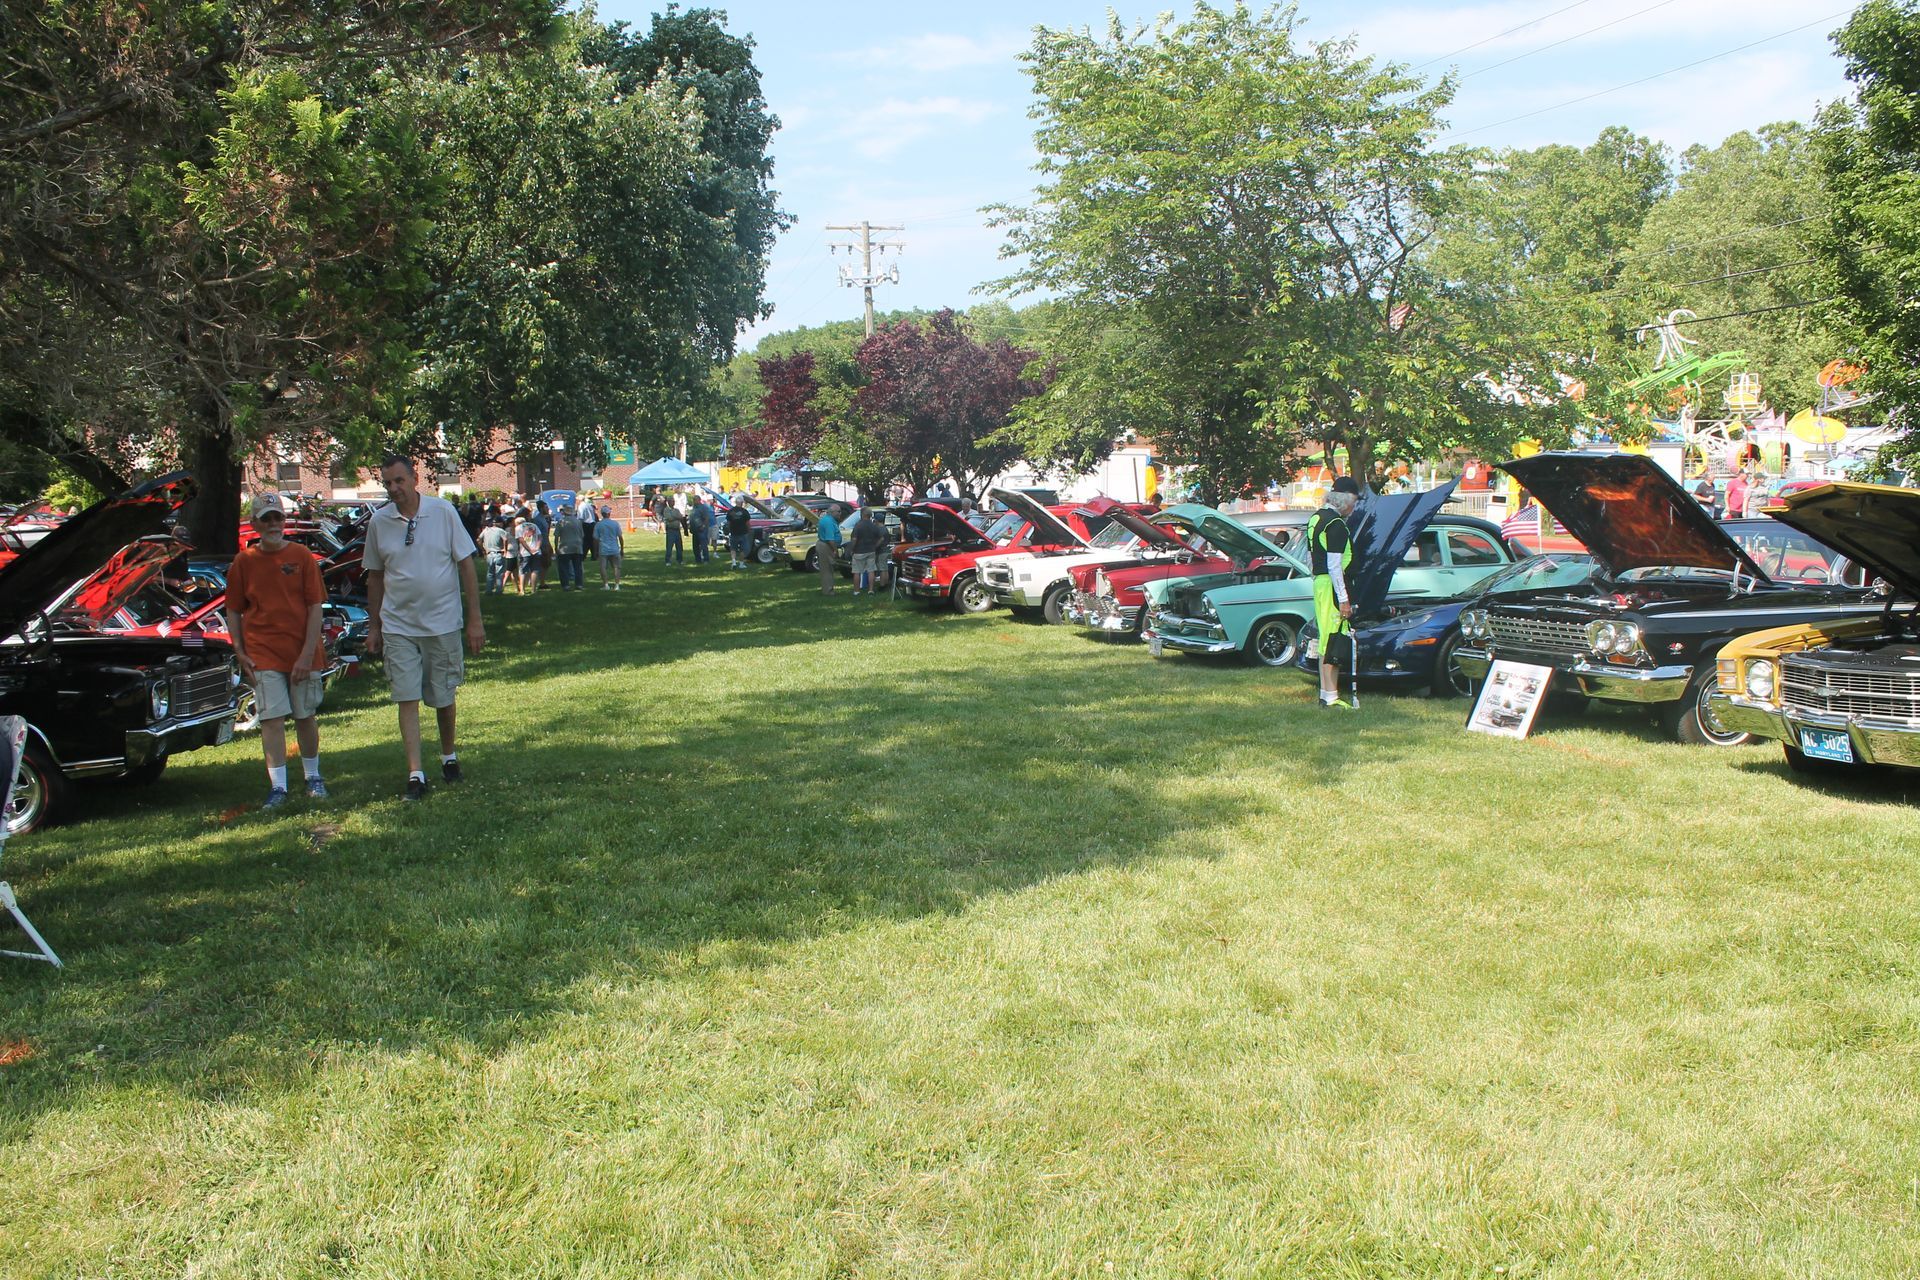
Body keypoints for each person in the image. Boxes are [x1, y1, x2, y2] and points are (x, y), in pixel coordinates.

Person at [362, 455, 485, 801]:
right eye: (387, 483)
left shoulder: (443, 512)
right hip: (399, 626)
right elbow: (375, 577)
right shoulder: (380, 523)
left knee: (444, 696)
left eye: (399, 481)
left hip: (443, 622)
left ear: (415, 479)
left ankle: (448, 756)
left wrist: (474, 619)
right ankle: (415, 773)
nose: (394, 489)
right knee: (406, 696)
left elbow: (466, 566)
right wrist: (375, 626)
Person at [225, 493, 329, 808]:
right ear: (255, 523)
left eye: (277, 518)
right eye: (266, 518)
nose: (273, 524)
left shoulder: (302, 557)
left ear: (284, 521)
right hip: (262, 652)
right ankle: (279, 787)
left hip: (302, 650)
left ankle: (313, 777)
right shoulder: (244, 561)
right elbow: (233, 610)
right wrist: (240, 651)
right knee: (271, 719)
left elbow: (315, 608)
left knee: (305, 715)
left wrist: (306, 654)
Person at [1307, 476, 1361, 710]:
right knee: (1334, 639)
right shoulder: (1336, 524)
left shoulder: (1316, 518)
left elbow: (1311, 556)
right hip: (1330, 585)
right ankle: (1331, 697)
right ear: (1345, 500)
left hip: (1320, 583)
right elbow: (1335, 566)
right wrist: (1344, 599)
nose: (1354, 507)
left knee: (1325, 638)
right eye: (1354, 502)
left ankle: (1325, 693)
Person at [849, 507, 891, 594]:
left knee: (857, 571)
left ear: (862, 514)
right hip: (871, 551)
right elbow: (881, 538)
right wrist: (875, 546)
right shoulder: (873, 526)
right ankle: (871, 590)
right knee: (871, 571)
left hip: (859, 551)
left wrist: (852, 549)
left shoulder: (858, 525)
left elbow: (854, 539)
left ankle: (856, 591)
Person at [815, 503, 844, 595]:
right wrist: (835, 550)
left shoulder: (829, 520)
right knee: (827, 569)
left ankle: (828, 589)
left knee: (828, 569)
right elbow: (830, 539)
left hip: (825, 545)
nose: (840, 513)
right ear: (832, 512)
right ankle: (828, 591)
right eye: (838, 511)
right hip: (825, 546)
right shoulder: (829, 522)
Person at [555, 503, 585, 590]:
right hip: (577, 546)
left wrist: (556, 547)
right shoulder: (578, 522)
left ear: (564, 512)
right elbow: (582, 535)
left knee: (564, 567)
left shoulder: (561, 522)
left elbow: (557, 536)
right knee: (577, 567)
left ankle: (566, 585)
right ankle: (579, 584)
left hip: (564, 547)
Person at [594, 504, 625, 589]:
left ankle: (606, 584)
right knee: (616, 567)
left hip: (603, 549)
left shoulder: (598, 525)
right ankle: (617, 585)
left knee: (603, 567)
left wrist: (595, 551)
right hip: (614, 548)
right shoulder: (615, 523)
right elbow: (620, 537)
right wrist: (622, 549)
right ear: (609, 514)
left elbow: (595, 539)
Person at [479, 517, 511, 593]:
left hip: (489, 554)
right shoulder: (501, 531)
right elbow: (505, 539)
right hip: (498, 553)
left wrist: (483, 550)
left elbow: (478, 539)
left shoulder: (486, 530)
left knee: (490, 573)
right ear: (499, 523)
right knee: (499, 574)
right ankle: (499, 591)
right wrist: (505, 550)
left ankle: (488, 590)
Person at [513, 516, 541, 594]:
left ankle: (522, 590)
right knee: (534, 570)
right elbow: (540, 537)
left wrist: (529, 549)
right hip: (536, 551)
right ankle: (533, 590)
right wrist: (537, 547)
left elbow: (521, 540)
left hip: (524, 552)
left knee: (522, 571)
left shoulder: (518, 527)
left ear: (518, 523)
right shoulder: (534, 525)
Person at [724, 498, 752, 568]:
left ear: (736, 502)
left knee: (733, 548)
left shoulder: (730, 511)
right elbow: (747, 523)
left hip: (733, 533)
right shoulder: (745, 511)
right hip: (743, 532)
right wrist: (749, 530)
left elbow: (728, 523)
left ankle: (733, 562)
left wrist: (729, 530)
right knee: (743, 549)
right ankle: (741, 564)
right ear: (742, 503)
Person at [688, 494, 713, 564]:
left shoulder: (703, 508)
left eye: (695, 500)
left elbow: (706, 518)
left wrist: (704, 526)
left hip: (701, 529)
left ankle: (706, 559)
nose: (693, 501)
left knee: (703, 545)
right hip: (694, 530)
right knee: (695, 546)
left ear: (699, 500)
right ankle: (698, 559)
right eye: (693, 500)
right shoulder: (694, 508)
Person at [660, 495, 685, 563]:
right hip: (670, 530)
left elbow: (681, 517)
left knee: (679, 546)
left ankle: (680, 560)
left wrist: (676, 517)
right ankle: (668, 560)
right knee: (669, 547)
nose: (673, 503)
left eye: (674, 501)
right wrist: (676, 517)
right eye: (671, 501)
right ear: (668, 502)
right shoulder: (666, 510)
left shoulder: (676, 510)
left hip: (677, 530)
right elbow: (669, 518)